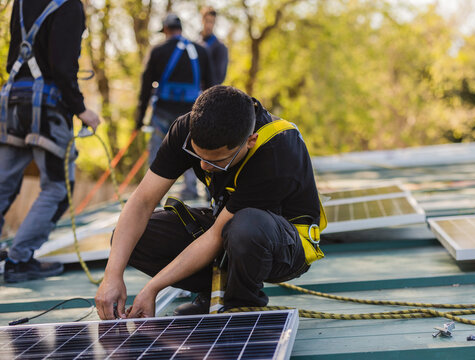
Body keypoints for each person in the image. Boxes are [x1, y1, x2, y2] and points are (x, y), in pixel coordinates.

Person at [95, 85, 326, 319]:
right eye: (198, 156)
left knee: (246, 227)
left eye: (218, 161)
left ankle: (242, 307)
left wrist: (152, 288)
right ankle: (214, 290)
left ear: (250, 141)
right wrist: (112, 276)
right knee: (131, 239)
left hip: (284, 245)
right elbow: (142, 201)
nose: (204, 167)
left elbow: (217, 235)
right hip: (229, 228)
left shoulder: (278, 151)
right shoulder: (186, 129)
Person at [0, 0, 101, 283]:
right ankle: (19, 260)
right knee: (58, 188)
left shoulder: (20, 3)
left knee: (3, 183)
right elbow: (61, 66)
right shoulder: (68, 5)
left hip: (12, 102)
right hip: (46, 108)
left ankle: (16, 254)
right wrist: (80, 109)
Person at [134, 13, 213, 178]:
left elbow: (145, 87)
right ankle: (190, 189)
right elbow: (211, 86)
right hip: (190, 111)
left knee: (157, 151)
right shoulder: (201, 51)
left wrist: (139, 119)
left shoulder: (157, 51)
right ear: (180, 29)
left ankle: (152, 192)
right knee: (191, 149)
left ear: (166, 30)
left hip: (163, 110)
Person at [177, 5, 230, 201]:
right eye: (205, 20)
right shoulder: (194, 45)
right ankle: (189, 187)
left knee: (211, 146)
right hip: (192, 101)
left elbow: (218, 78)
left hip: (211, 102)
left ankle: (212, 190)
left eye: (211, 21)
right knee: (189, 144)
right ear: (201, 20)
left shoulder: (219, 47)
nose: (208, 24)